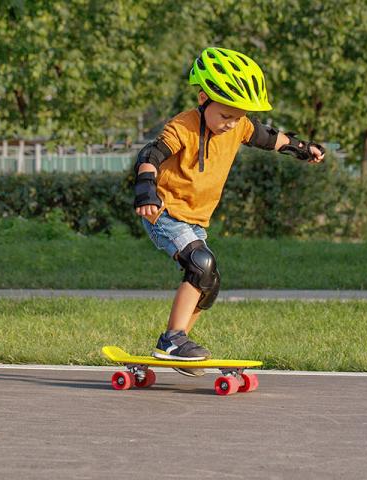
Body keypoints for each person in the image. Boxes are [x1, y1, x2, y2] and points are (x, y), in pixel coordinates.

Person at [133, 47, 325, 376]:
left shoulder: (238, 125)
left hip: (194, 218)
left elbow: (268, 137)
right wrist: (145, 190)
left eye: (237, 117)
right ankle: (172, 340)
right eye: (225, 115)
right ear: (204, 97)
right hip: (165, 211)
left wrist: (302, 148)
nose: (231, 124)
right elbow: (151, 154)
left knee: (209, 281)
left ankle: (177, 344)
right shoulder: (184, 126)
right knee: (200, 263)